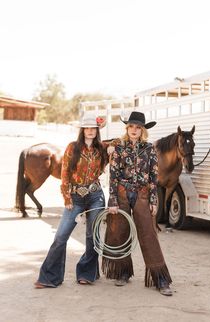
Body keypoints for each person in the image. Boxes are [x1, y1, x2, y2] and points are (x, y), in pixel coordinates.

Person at [102, 111, 173, 296]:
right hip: (122, 193)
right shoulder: (118, 147)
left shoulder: (149, 149)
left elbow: (153, 177)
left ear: (143, 130)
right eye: (131, 126)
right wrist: (113, 200)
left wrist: (153, 200)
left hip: (142, 194)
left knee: (148, 234)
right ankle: (123, 272)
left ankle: (160, 278)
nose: (134, 130)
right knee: (120, 232)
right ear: (127, 128)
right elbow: (114, 176)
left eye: (138, 127)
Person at [34, 115, 108, 288]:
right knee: (61, 236)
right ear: (82, 130)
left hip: (95, 196)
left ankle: (87, 273)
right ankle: (50, 277)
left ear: (97, 131)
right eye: (86, 128)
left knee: (92, 236)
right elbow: (65, 173)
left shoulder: (102, 149)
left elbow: (122, 141)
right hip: (74, 197)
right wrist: (67, 197)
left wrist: (108, 140)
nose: (90, 131)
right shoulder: (72, 147)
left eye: (93, 128)